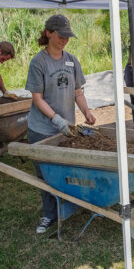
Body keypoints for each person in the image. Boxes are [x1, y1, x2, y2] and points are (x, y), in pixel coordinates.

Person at [25, 14, 96, 233]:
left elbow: (77, 92)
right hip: (42, 129)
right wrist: (56, 119)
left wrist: (86, 111)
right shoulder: (39, 62)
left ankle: (67, 205)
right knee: (45, 174)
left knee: (64, 170)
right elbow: (37, 98)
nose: (65, 39)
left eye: (67, 36)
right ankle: (49, 215)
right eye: (60, 35)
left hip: (67, 130)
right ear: (48, 33)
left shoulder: (72, 60)